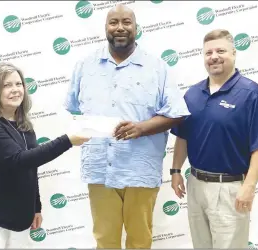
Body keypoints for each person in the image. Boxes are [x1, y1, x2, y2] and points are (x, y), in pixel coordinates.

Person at [64, 4, 190, 249]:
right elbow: (74, 109)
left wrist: (141, 128)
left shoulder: (157, 68)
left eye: (126, 22)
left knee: (140, 240)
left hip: (139, 169)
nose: (120, 27)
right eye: (114, 22)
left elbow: (177, 114)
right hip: (100, 168)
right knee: (104, 239)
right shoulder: (85, 66)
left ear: (136, 28)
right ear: (106, 28)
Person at [170, 29, 258, 249]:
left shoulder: (252, 94)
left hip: (230, 189)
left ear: (234, 53)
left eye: (220, 50)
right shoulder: (192, 95)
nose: (214, 56)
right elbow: (182, 136)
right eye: (208, 52)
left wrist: (249, 185)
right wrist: (175, 171)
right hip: (196, 185)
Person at [0, 62, 90, 249]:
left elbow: (31, 167)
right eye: (7, 85)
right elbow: (19, 160)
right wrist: (67, 141)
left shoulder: (24, 126)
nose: (15, 90)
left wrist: (35, 207)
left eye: (18, 84)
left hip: (19, 218)